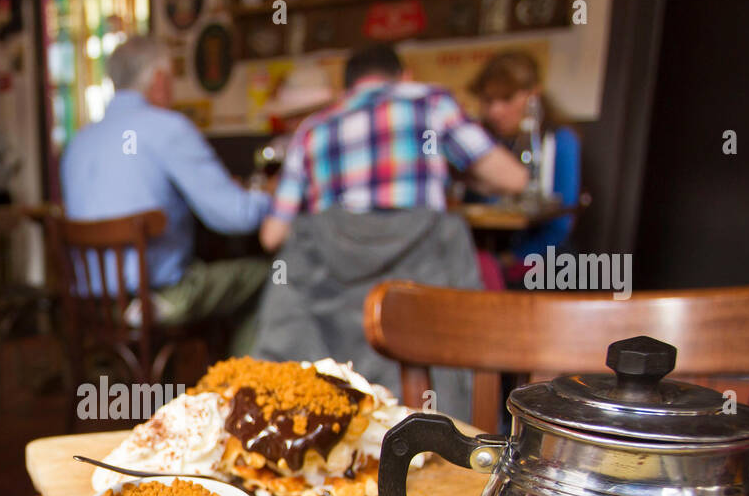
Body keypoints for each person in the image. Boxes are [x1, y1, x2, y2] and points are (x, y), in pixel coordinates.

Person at [60, 36, 272, 348]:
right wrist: (274, 195)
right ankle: (238, 389)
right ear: (159, 80)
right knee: (268, 277)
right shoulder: (168, 127)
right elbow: (236, 217)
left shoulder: (78, 141)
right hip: (153, 301)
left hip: (91, 304)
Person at [258, 44, 528, 251]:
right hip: (419, 286)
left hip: (341, 296)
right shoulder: (432, 103)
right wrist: (453, 171)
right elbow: (515, 180)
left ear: (348, 88)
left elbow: (272, 237)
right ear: (405, 77)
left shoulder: (312, 130)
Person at [468, 50, 582, 281]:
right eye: (488, 101)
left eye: (506, 99)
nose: (495, 111)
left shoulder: (558, 141)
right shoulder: (484, 143)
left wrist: (512, 259)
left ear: (533, 95)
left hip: (543, 261)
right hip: (487, 257)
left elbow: (560, 222)